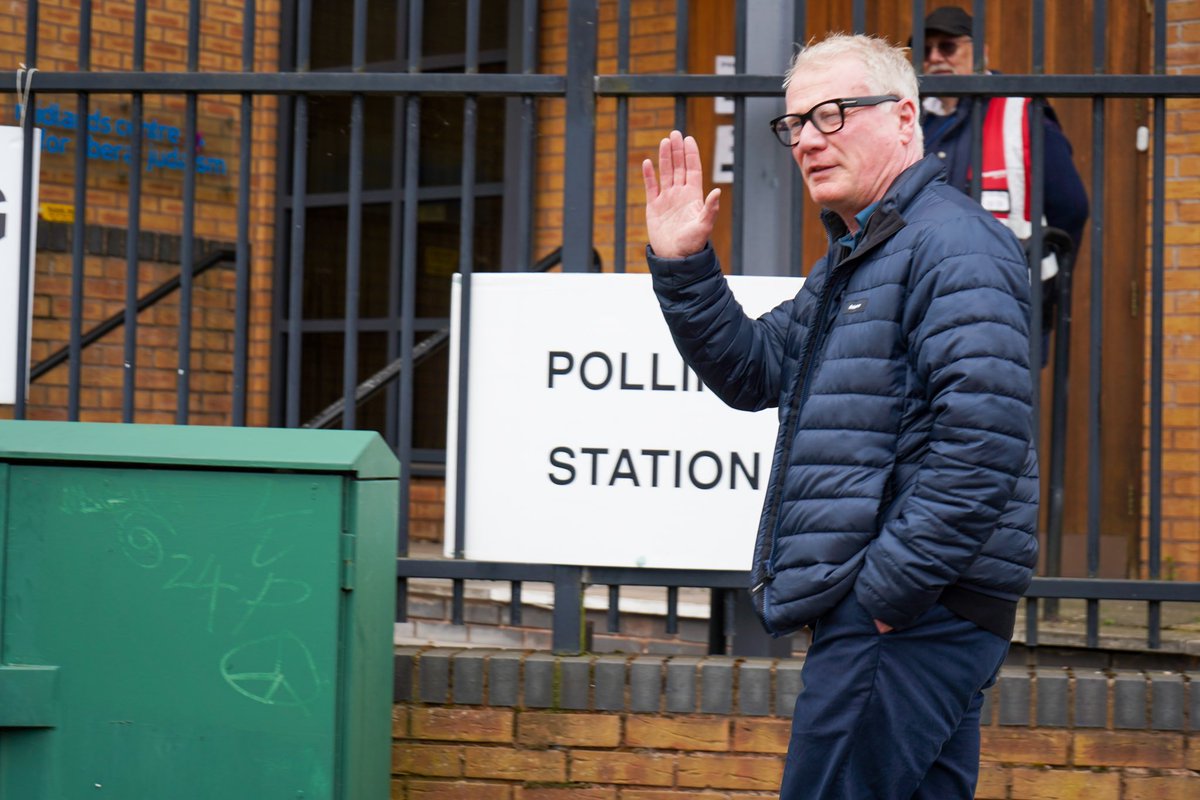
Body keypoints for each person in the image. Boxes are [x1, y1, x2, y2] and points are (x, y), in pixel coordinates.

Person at [642, 33, 1038, 799]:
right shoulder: (864, 257)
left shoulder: (953, 247)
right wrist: (686, 264)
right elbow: (755, 370)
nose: (808, 141)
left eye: (831, 115)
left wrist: (887, 595)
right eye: (794, 125)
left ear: (902, 117)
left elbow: (983, 438)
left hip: (911, 613)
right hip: (918, 609)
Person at [920, 4, 1088, 332]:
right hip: (926, 304)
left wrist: (1046, 284)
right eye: (926, 51)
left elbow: (1070, 208)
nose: (935, 58)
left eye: (948, 46)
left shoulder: (1020, 111)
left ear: (980, 51)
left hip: (1004, 305)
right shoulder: (915, 120)